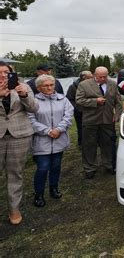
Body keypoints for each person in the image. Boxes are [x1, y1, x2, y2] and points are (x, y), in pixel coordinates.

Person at [0, 61, 38, 225]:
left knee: (15, 174)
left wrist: (24, 95)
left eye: (5, 72)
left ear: (11, 73)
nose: (2, 75)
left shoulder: (22, 86)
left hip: (20, 136)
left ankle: (14, 209)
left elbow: (34, 108)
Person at [27, 75, 74, 207]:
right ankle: (39, 194)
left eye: (51, 85)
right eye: (45, 85)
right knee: (42, 168)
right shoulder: (33, 102)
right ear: (38, 87)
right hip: (42, 141)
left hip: (59, 139)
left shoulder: (62, 99)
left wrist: (59, 129)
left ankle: (54, 188)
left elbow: (68, 115)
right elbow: (30, 119)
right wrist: (47, 131)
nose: (49, 88)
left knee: (56, 166)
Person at [76, 66, 123, 179]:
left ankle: (109, 165)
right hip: (90, 120)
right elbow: (79, 100)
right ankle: (90, 168)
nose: (103, 79)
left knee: (108, 144)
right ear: (94, 75)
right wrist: (95, 101)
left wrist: (117, 114)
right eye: (100, 77)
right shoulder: (84, 85)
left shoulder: (112, 84)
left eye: (105, 76)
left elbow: (118, 101)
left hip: (107, 120)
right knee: (89, 145)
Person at [66, 70, 93, 146]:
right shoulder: (73, 87)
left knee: (92, 128)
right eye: (90, 75)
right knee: (81, 128)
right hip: (80, 112)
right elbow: (69, 99)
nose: (92, 76)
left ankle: (92, 142)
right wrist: (78, 109)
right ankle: (82, 144)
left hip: (91, 111)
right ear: (84, 77)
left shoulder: (92, 84)